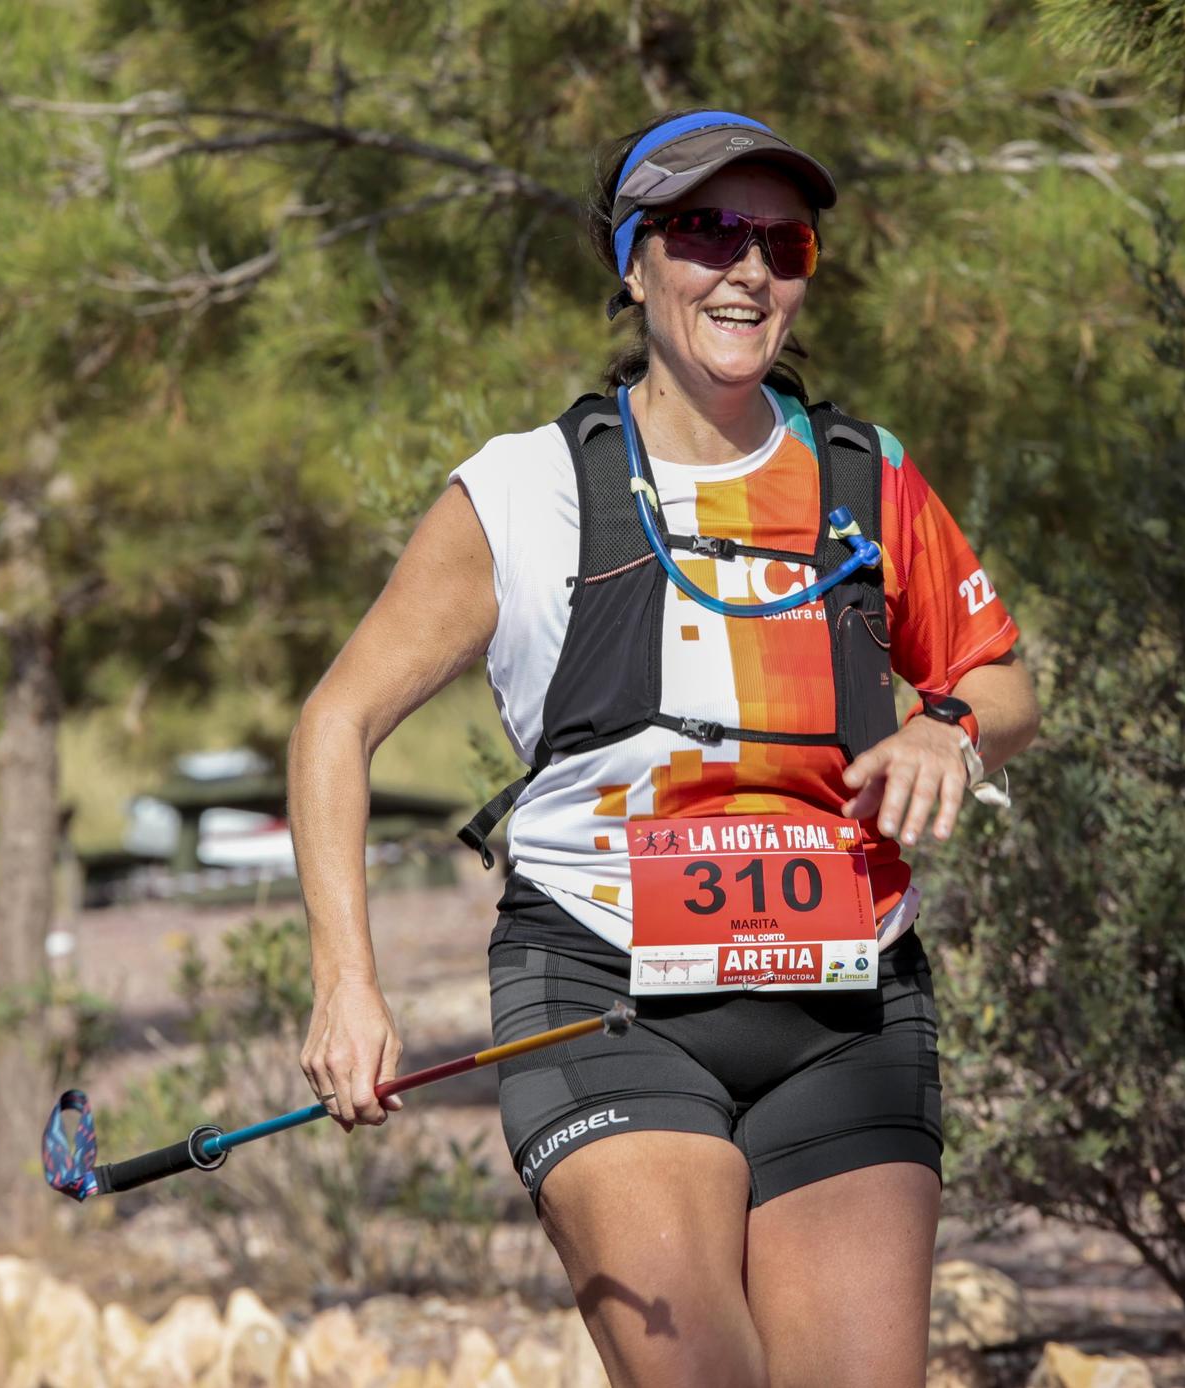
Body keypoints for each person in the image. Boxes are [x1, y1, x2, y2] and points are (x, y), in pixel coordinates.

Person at [289, 109, 1039, 1388]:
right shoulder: (522, 492)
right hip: (600, 990)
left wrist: (946, 729)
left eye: (780, 242)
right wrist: (344, 980)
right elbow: (334, 723)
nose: (746, 269)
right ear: (632, 262)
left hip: (846, 996)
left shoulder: (867, 476)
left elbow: (998, 678)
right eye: (704, 230)